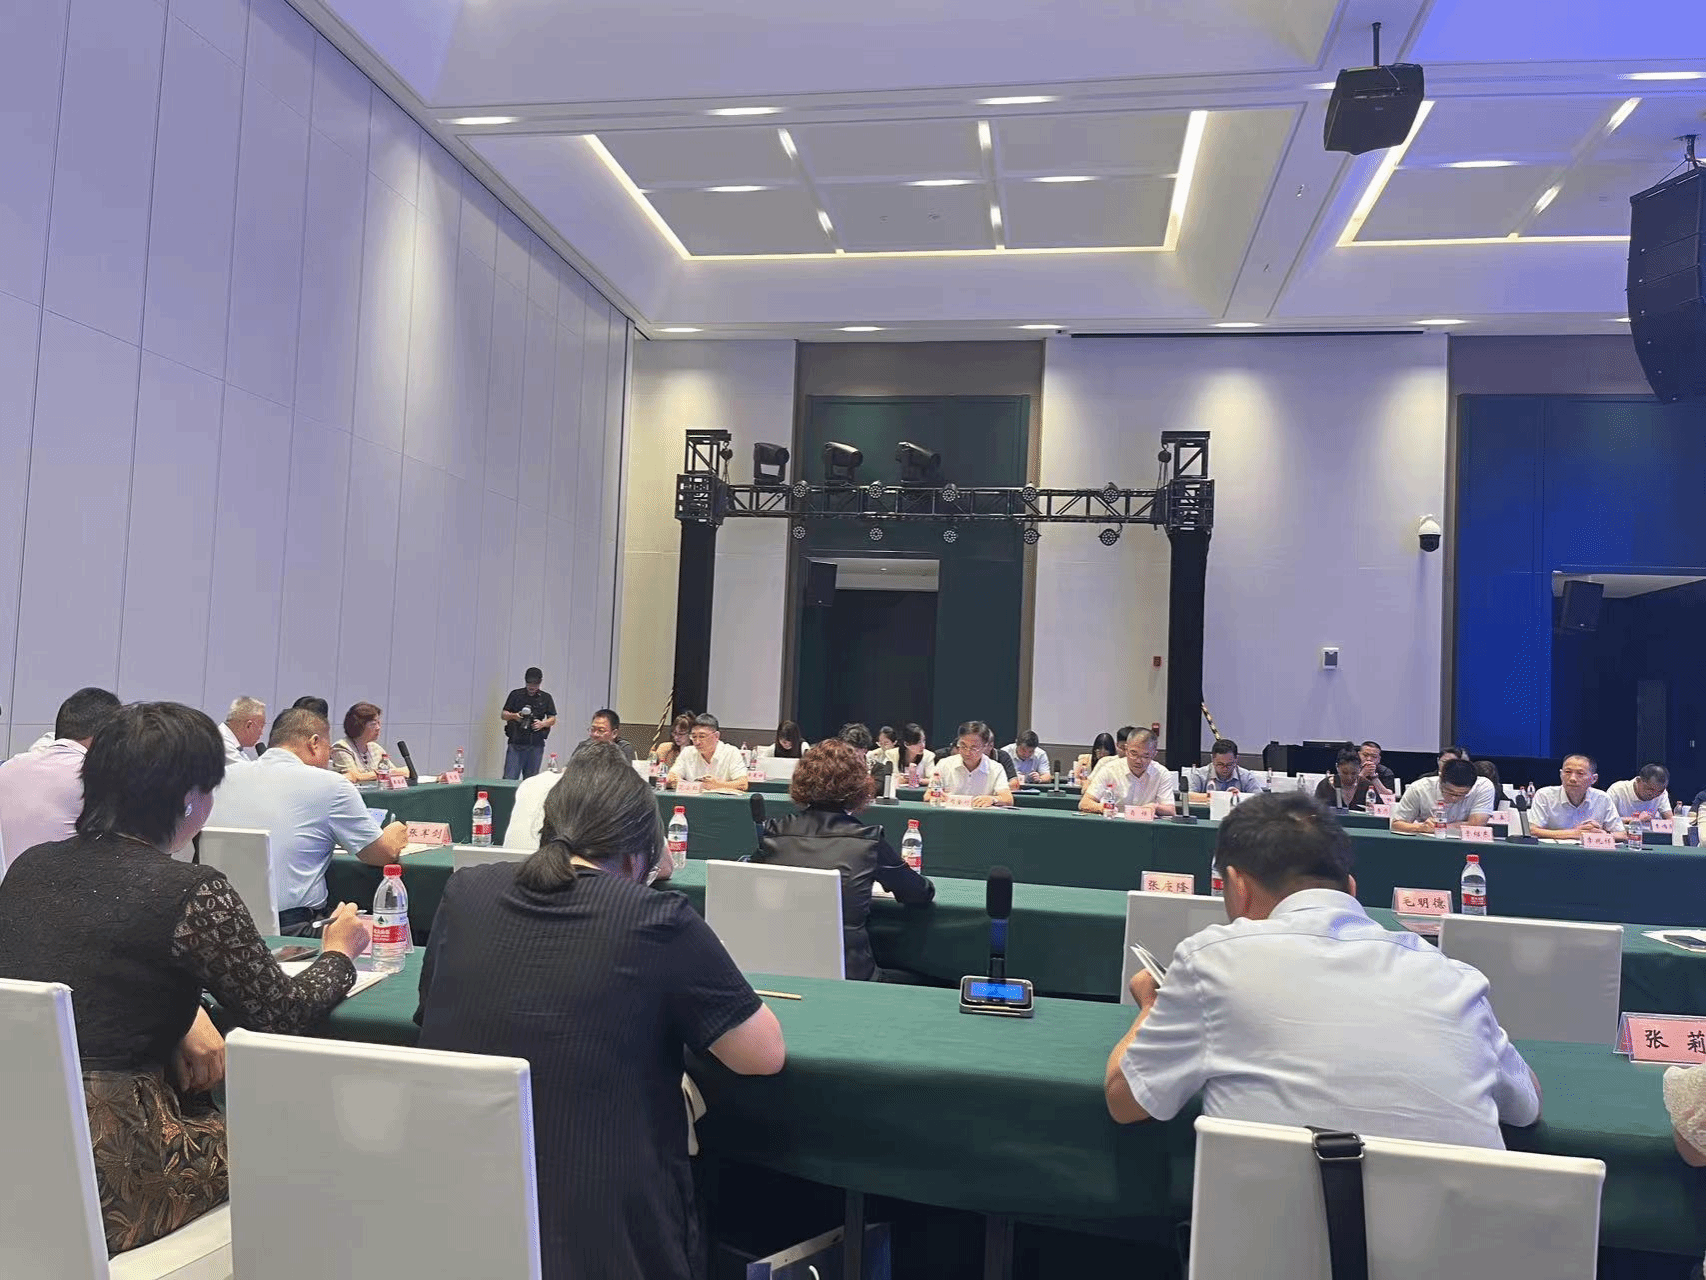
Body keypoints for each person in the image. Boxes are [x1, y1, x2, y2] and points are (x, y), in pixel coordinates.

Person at [0, 701, 372, 1256]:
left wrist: (180, 1017)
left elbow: (86, 974)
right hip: (118, 1169)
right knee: (298, 1137)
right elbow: (282, 1013)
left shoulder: (28, 868)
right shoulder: (191, 891)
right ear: (190, 799)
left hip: (18, 1149)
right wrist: (339, 953)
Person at [415, 743, 785, 1280]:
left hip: (461, 1209)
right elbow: (763, 1054)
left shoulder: (465, 890)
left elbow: (429, 1011)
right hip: (610, 1233)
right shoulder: (657, 917)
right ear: (641, 849)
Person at [1103, 792, 1541, 1149]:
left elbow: (1126, 1101)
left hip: (1270, 1234)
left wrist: (1152, 1004)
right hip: (1458, 1233)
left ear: (1236, 885)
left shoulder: (1212, 959)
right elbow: (1527, 1104)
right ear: (1351, 888)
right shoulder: (1456, 978)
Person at [209, 708, 408, 934]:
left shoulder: (220, 778)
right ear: (314, 743)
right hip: (293, 930)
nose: (328, 760)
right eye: (328, 750)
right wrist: (394, 833)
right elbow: (381, 855)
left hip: (216, 926)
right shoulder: (331, 785)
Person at [752, 739, 935, 980]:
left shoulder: (774, 832)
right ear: (859, 786)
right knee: (939, 981)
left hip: (778, 967)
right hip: (851, 974)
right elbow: (919, 893)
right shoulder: (868, 840)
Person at [0, 686, 120, 875]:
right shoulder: (97, 777)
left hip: (9, 890)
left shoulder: (6, 770)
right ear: (107, 736)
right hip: (69, 890)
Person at [1390, 752, 1496, 834]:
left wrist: (1439, 828)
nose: (1454, 798)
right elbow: (1396, 824)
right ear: (1440, 780)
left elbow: (1476, 824)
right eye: (1450, 792)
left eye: (1462, 794)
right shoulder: (1419, 788)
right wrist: (1421, 827)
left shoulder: (1483, 786)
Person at [1080, 727, 1176, 815]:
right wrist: (1103, 808)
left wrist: (1155, 807)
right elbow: (1084, 803)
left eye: (1145, 756)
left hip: (1146, 825)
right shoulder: (1110, 769)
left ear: (1154, 754)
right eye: (1133, 753)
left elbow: (1171, 810)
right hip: (1114, 823)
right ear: (1126, 749)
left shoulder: (1161, 773)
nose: (1138, 761)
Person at [1529, 754, 1626, 840]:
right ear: (1561, 774)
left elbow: (1622, 835)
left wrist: (1601, 834)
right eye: (1568, 772)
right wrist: (1575, 833)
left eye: (1580, 773)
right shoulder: (1544, 795)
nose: (1572, 779)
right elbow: (1533, 830)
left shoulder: (1602, 798)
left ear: (1594, 779)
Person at [931, 721, 1015, 808]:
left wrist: (993, 799)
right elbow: (928, 795)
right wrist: (938, 796)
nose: (967, 752)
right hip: (949, 813)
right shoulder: (944, 764)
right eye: (963, 746)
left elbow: (1008, 799)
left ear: (985, 746)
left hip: (981, 815)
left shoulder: (996, 768)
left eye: (974, 748)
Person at [667, 713, 748, 792]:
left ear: (716, 736)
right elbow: (672, 776)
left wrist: (718, 785)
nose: (697, 742)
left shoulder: (731, 752)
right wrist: (675, 780)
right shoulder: (687, 752)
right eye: (694, 737)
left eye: (702, 736)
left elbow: (743, 784)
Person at [501, 667, 558, 779]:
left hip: (536, 744)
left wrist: (542, 724)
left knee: (531, 780)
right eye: (529, 683)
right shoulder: (516, 695)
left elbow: (552, 718)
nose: (532, 687)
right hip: (516, 742)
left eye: (535, 684)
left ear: (540, 682)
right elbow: (504, 714)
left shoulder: (546, 698)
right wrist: (515, 716)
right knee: (509, 778)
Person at [329, 701, 395, 782]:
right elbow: (353, 777)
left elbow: (399, 771)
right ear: (358, 726)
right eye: (373, 724)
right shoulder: (341, 747)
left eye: (379, 723)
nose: (378, 728)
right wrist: (388, 773)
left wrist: (390, 772)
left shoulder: (375, 747)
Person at [1187, 738, 1262, 802]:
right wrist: (1222, 796)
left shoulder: (1246, 776)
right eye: (1220, 764)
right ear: (1212, 759)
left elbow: (1261, 799)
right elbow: (1187, 796)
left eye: (1229, 764)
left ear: (1236, 759)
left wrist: (1240, 796)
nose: (1225, 768)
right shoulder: (1199, 775)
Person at [1608, 763, 1674, 822]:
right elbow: (1606, 820)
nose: (1654, 794)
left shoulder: (1662, 793)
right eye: (1650, 789)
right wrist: (1634, 820)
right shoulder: (1617, 790)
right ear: (1638, 781)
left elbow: (1670, 819)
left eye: (1660, 791)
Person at [219, 696, 266, 765]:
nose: (261, 733)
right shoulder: (222, 742)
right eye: (261, 726)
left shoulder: (234, 745)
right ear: (248, 725)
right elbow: (244, 770)